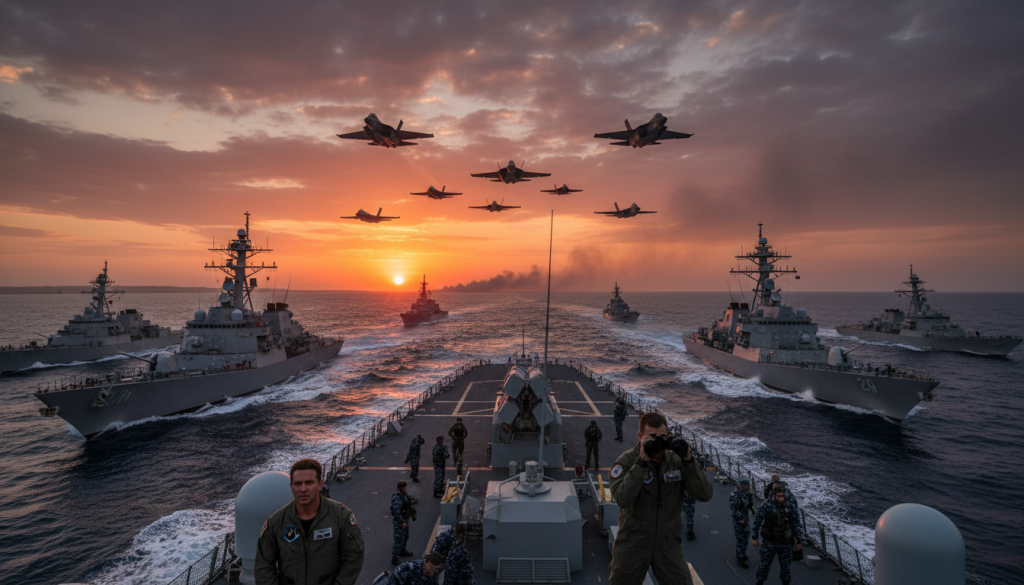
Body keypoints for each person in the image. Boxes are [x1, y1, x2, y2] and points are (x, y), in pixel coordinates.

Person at [608, 412, 714, 585]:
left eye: (662, 438)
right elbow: (622, 499)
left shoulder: (676, 462)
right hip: (633, 542)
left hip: (668, 542)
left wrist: (688, 460)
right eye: (652, 437)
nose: (658, 444)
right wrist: (641, 463)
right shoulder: (626, 462)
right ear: (640, 436)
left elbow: (705, 494)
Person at [255, 458, 364, 585]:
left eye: (309, 482)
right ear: (291, 487)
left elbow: (354, 556)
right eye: (297, 484)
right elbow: (263, 567)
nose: (303, 489)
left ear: (320, 484)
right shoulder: (276, 522)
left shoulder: (341, 516)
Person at [751, 486, 806, 585]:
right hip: (770, 541)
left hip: (785, 542)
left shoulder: (790, 506)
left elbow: (796, 524)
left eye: (782, 496)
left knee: (786, 566)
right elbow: (757, 520)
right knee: (764, 564)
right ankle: (760, 582)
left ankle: (785, 582)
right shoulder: (767, 505)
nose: (781, 498)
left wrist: (799, 541)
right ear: (774, 495)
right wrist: (754, 537)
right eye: (779, 496)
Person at [729, 477, 755, 568]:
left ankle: (742, 553)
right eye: (747, 486)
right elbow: (734, 508)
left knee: (746, 536)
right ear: (742, 486)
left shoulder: (746, 494)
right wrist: (740, 518)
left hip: (745, 518)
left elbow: (749, 504)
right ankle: (740, 557)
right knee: (741, 538)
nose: (748, 487)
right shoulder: (736, 495)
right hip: (739, 520)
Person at [390, 480, 416, 565]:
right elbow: (396, 512)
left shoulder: (404, 495)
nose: (406, 489)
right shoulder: (397, 498)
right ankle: (395, 557)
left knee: (405, 536)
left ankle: (402, 550)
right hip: (399, 522)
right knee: (398, 539)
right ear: (401, 488)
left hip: (405, 519)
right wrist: (402, 522)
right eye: (404, 487)